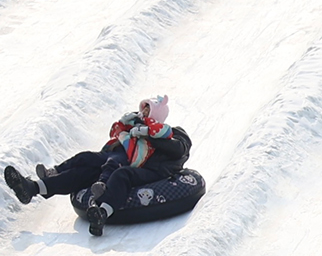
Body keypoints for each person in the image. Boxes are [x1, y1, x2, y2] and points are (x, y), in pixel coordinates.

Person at [4, 95, 192, 236]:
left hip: (151, 172)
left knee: (121, 174)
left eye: (148, 111)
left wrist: (150, 134)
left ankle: (102, 213)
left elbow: (179, 150)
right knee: (84, 169)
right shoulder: (134, 129)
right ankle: (33, 188)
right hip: (121, 163)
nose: (143, 114)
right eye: (143, 110)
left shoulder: (173, 132)